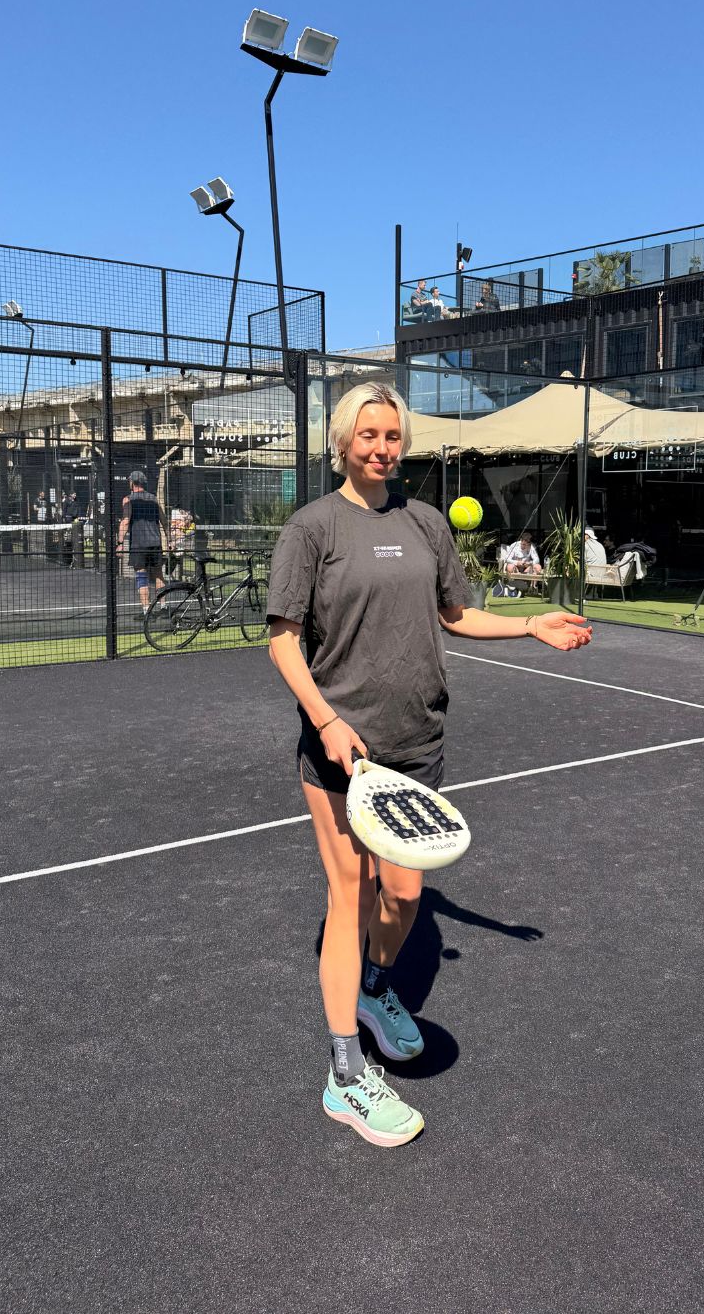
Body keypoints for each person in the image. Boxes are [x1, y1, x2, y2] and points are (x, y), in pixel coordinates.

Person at [266, 381, 592, 1148]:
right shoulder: (312, 528)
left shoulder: (426, 524)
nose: (382, 448)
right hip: (342, 752)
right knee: (349, 896)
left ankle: (376, 989)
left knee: (407, 897)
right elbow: (283, 639)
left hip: (417, 745)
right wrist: (326, 721)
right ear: (342, 441)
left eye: (393, 436)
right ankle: (345, 1073)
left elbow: (456, 613)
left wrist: (530, 624)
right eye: (368, 434)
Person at [116, 470, 167, 612]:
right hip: (155, 543)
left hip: (139, 545)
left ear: (132, 482)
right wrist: (169, 540)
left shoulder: (128, 499)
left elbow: (125, 521)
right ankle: (163, 606)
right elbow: (164, 521)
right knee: (158, 574)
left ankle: (146, 611)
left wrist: (120, 543)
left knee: (141, 575)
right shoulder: (154, 499)